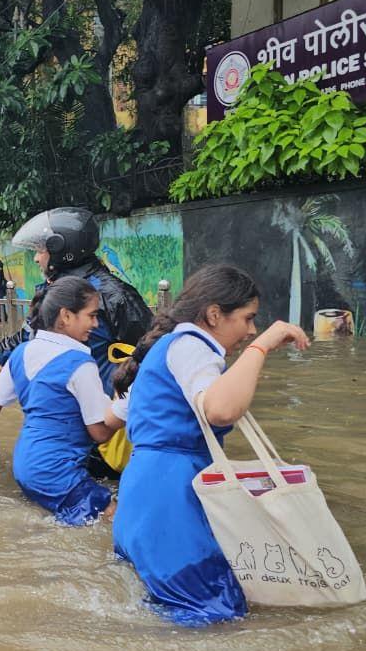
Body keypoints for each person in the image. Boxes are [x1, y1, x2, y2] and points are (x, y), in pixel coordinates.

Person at [110, 264, 309, 625]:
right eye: (248, 319)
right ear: (214, 315)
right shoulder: (194, 347)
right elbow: (220, 410)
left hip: (142, 495)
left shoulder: (168, 348)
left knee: (169, 609)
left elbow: (113, 418)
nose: (251, 330)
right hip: (170, 496)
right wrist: (262, 347)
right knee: (214, 616)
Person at [0, 277, 124, 525]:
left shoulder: (21, 352)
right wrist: (130, 405)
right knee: (117, 519)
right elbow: (99, 432)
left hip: (25, 466)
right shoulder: (81, 364)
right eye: (91, 316)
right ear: (66, 316)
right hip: (57, 472)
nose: (96, 323)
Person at [0, 209, 151, 397]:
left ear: (60, 250)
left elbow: (149, 349)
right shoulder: (57, 291)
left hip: (98, 408)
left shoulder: (111, 295)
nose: (36, 258)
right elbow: (26, 340)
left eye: (40, 250)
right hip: (71, 401)